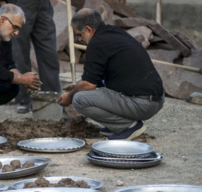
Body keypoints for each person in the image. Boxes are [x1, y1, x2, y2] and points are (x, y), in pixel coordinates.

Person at [57, 8, 164, 141]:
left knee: (79, 99)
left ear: (88, 29)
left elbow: (89, 84)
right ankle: (118, 124)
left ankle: (128, 126)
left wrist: (69, 95)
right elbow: (97, 78)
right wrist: (79, 85)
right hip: (156, 99)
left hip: (142, 104)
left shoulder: (96, 44)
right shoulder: (114, 33)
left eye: (79, 34)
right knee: (85, 90)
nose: (79, 39)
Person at [0, 0, 61, 113]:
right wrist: (3, 3)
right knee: (19, 53)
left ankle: (53, 99)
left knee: (48, 52)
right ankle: (25, 98)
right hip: (20, 3)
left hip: (43, 3)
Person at [0, 3, 42, 107]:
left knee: (11, 88)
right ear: (2, 20)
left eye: (18, 29)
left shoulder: (5, 38)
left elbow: (10, 65)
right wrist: (22, 79)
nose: (17, 33)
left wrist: (26, 80)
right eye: (15, 27)